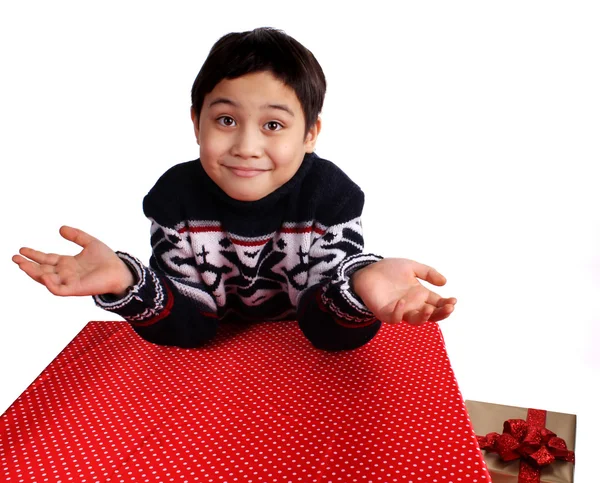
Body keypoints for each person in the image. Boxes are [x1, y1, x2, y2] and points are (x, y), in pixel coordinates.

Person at [12, 27, 456, 351]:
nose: (246, 147)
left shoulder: (331, 196)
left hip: (301, 356)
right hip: (207, 368)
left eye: (273, 125)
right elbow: (192, 326)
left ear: (310, 134)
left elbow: (326, 331)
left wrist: (360, 285)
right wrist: (128, 282)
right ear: (195, 122)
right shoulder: (174, 199)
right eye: (226, 120)